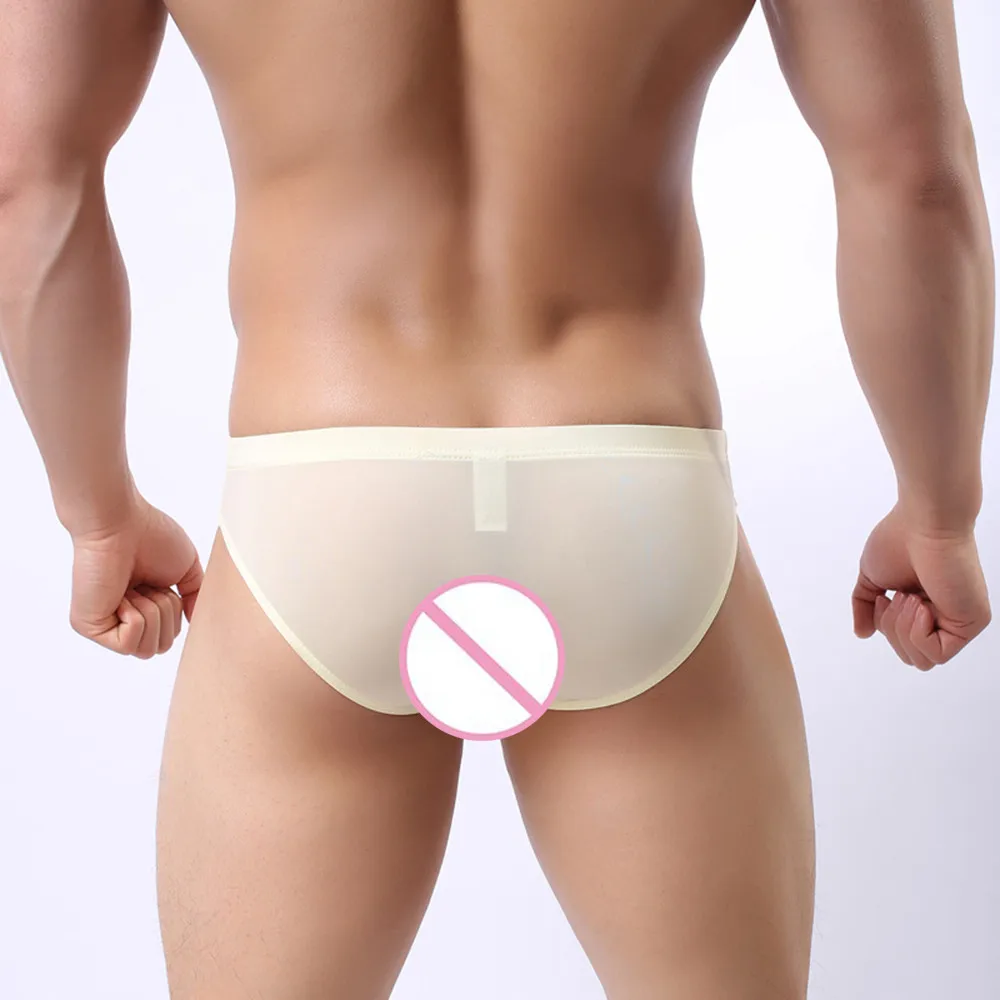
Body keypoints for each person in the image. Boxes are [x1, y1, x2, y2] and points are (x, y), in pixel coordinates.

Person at [0, 0, 993, 996]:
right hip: (629, 495)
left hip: (326, 494)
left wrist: (98, 512)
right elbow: (913, 173)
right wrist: (938, 507)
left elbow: (28, 179)